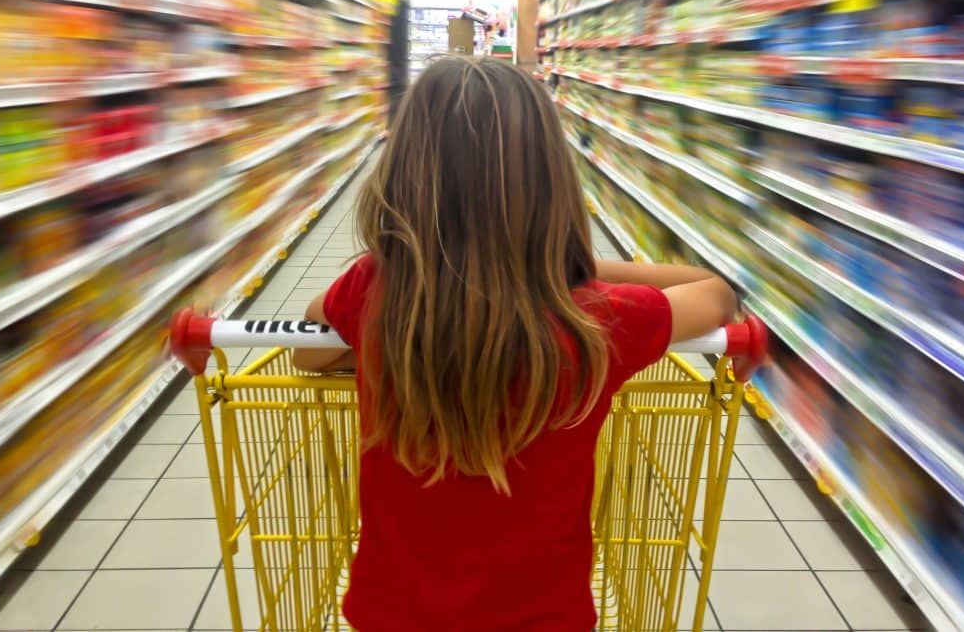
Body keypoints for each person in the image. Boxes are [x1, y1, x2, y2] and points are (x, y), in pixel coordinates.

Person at [292, 56, 736, 631]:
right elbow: (717, 293)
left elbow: (308, 346)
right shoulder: (601, 322)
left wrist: (407, 348)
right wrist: (570, 266)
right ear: (552, 184)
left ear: (402, 174)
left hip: (393, 614)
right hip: (543, 617)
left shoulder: (375, 291)